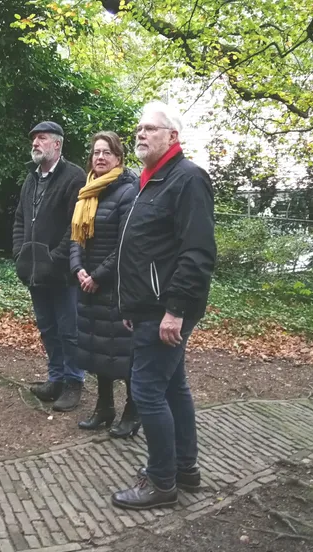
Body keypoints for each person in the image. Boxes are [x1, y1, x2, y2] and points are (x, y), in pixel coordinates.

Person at [111, 102, 217, 510]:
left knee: (147, 390)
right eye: (138, 128)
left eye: (151, 129)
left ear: (173, 137)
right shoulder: (147, 181)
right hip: (146, 307)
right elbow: (139, 251)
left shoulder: (187, 179)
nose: (141, 134)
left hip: (166, 311)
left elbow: (197, 252)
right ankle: (185, 470)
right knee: (173, 387)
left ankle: (160, 481)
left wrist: (176, 310)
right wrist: (129, 304)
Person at [69, 131, 140, 436]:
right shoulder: (88, 191)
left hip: (114, 288)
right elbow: (76, 237)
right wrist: (78, 270)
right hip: (88, 286)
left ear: (118, 159)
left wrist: (97, 275)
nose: (99, 157)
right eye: (96, 152)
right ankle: (104, 407)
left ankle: (132, 411)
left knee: (123, 354)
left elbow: (126, 243)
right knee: (97, 352)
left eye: (106, 153)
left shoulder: (128, 191)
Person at [12, 121, 86, 412]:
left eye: (41, 139)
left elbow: (74, 226)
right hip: (34, 272)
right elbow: (19, 219)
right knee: (47, 327)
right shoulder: (31, 178)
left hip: (62, 272)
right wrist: (20, 253)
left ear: (57, 144)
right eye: (33, 139)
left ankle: (73, 382)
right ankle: (55, 378)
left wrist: (53, 258)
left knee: (69, 329)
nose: (35, 143)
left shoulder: (74, 177)